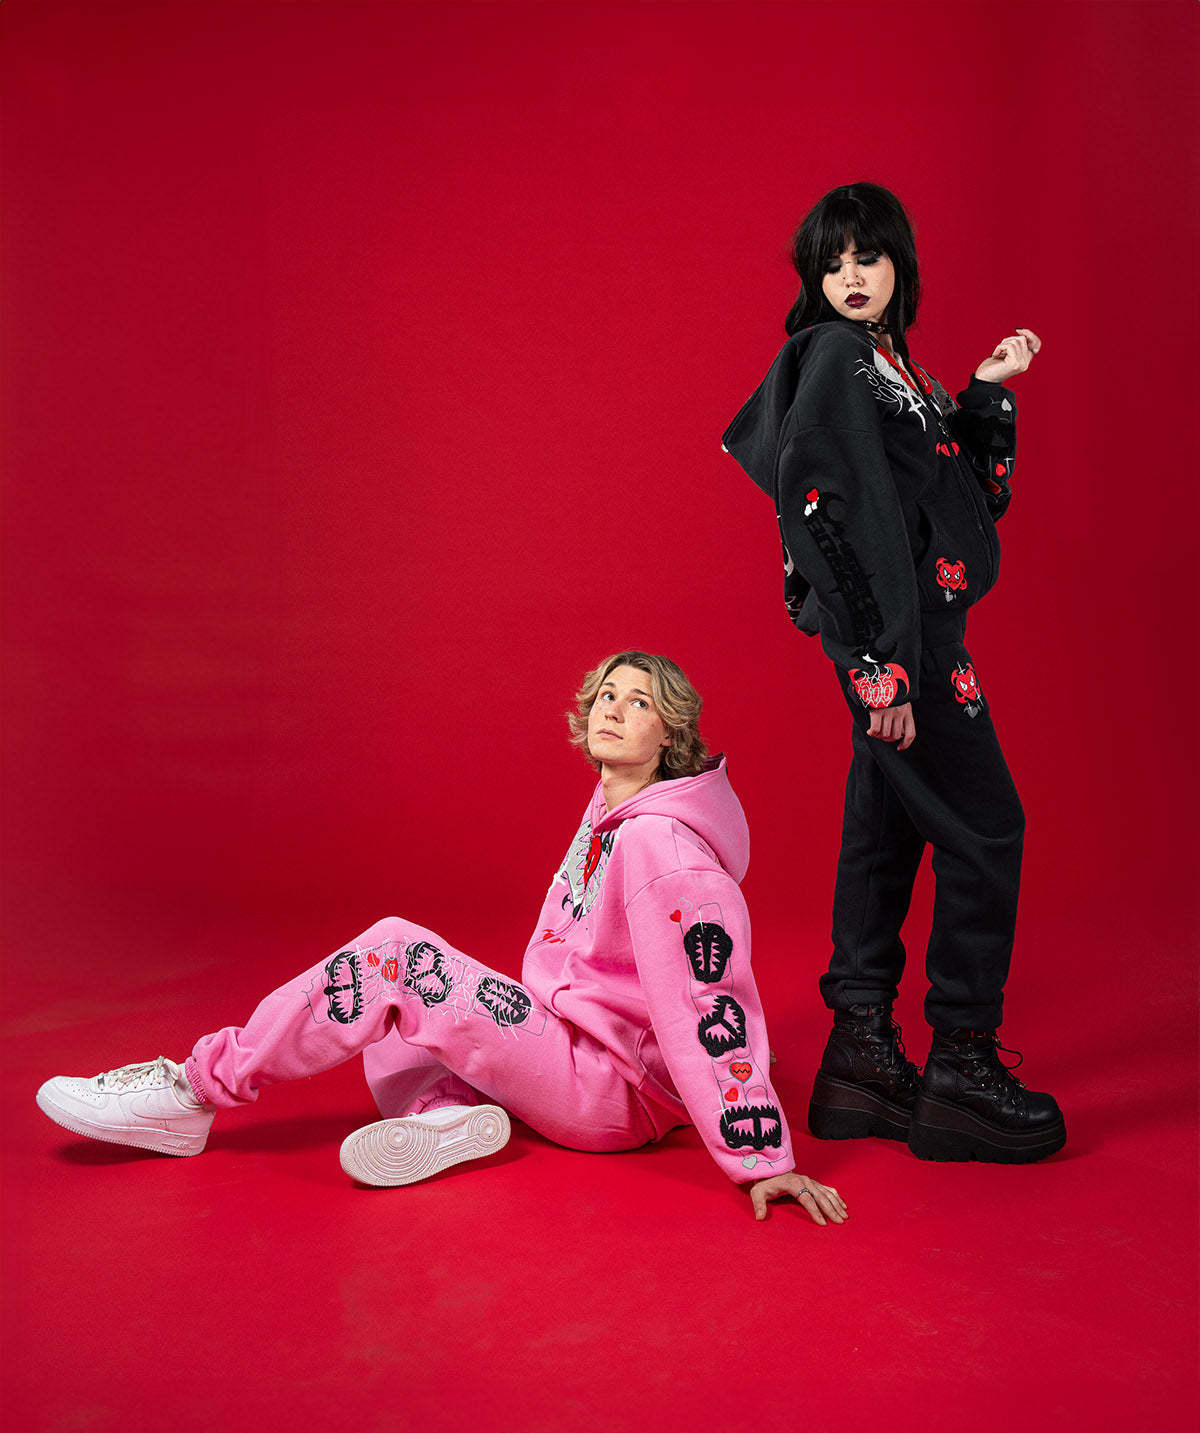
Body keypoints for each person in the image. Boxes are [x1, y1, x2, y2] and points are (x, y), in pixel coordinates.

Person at [36, 651, 847, 1224]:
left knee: (394, 957)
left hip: (611, 1090)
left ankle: (194, 1092)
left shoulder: (660, 844)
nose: (612, 707)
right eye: (607, 693)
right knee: (390, 1022)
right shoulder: (612, 809)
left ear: (671, 733)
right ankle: (444, 1119)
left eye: (639, 702)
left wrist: (762, 1159)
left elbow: (710, 996)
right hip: (577, 1043)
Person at [722, 182, 1065, 1164]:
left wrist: (986, 389)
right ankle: (961, 1065)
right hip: (906, 651)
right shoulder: (837, 357)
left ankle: (860, 1058)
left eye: (867, 256)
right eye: (831, 262)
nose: (850, 276)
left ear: (899, 265)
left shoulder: (894, 370)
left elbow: (966, 508)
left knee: (885, 833)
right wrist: (881, 668)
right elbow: (826, 509)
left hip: (923, 641)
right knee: (987, 829)